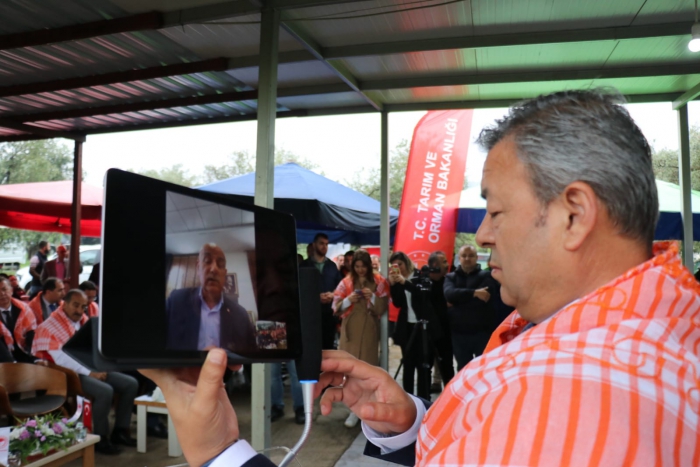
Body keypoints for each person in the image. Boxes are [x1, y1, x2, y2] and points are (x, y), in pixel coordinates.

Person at [140, 90, 700, 467]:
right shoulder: (638, 329)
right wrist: (412, 424)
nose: (483, 234)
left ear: (574, 215)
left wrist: (221, 451)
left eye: (496, 211)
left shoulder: (572, 398)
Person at [32, 289, 138, 455]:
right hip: (66, 374)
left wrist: (101, 366)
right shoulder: (49, 327)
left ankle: (120, 431)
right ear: (64, 304)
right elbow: (62, 359)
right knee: (105, 391)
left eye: (83, 307)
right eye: (75, 305)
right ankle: (100, 438)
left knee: (130, 384)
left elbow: (92, 348)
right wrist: (90, 373)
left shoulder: (83, 321)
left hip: (90, 368)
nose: (79, 311)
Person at [332, 250, 389, 427]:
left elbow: (383, 307)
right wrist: (349, 300)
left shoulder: (379, 281)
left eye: (363, 266)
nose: (360, 270)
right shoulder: (346, 282)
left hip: (369, 329)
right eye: (357, 266)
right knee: (349, 371)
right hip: (350, 330)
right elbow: (335, 306)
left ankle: (366, 408)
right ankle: (353, 409)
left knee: (367, 370)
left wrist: (372, 297)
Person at [166, 243, 256, 353]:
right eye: (207, 261)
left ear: (224, 274)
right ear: (198, 268)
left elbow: (250, 356)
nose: (214, 269)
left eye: (220, 265)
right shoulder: (175, 301)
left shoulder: (241, 315)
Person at [388, 252, 436, 399]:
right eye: (394, 266)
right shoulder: (397, 280)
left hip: (423, 326)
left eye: (400, 264)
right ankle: (407, 397)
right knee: (408, 364)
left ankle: (423, 398)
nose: (399, 268)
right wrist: (393, 285)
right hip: (406, 326)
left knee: (423, 365)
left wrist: (405, 283)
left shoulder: (419, 275)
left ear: (406, 263)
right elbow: (397, 303)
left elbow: (422, 295)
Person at [444, 244, 498, 370]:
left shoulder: (487, 276)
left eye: (471, 255)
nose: (467, 258)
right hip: (459, 333)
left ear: (476, 257)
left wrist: (458, 301)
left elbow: (486, 298)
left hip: (482, 332)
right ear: (459, 258)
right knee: (463, 369)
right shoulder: (450, 277)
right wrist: (474, 293)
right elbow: (449, 294)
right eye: (464, 256)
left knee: (484, 368)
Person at [300, 233, 342, 350]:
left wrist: (332, 294)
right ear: (314, 245)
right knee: (311, 347)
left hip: (329, 314)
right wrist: (315, 297)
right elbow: (300, 288)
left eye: (326, 244)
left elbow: (340, 287)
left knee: (328, 347)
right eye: (321, 243)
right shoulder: (304, 266)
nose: (324, 247)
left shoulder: (332, 266)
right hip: (310, 314)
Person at [425, 251, 454, 393]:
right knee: (425, 366)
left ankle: (450, 395)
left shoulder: (449, 282)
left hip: (445, 332)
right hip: (427, 333)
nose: (448, 265)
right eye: (444, 262)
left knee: (447, 366)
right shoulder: (424, 282)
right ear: (435, 264)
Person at [0, 277, 37, 362]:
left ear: (11, 291)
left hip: (23, 352)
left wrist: (36, 358)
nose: (2, 293)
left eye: (4, 289)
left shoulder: (24, 309)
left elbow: (32, 333)